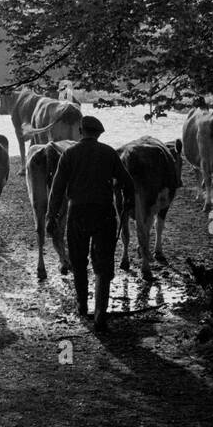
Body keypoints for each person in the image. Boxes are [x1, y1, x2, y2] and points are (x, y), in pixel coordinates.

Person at [45, 115, 136, 332]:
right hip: (104, 212)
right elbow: (128, 182)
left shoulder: (69, 153)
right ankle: (100, 314)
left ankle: (82, 304)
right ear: (99, 134)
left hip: (78, 212)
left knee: (78, 260)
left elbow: (57, 189)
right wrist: (128, 202)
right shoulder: (109, 153)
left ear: (80, 131)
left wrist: (51, 216)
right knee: (103, 263)